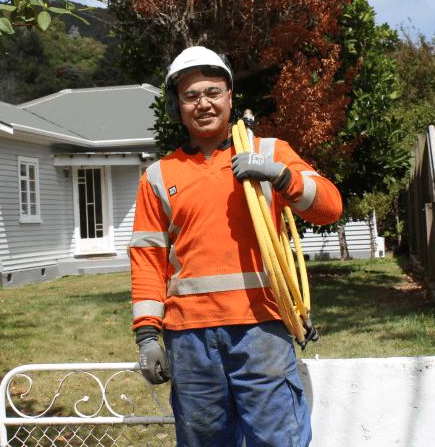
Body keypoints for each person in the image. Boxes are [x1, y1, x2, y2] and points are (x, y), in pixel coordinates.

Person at [129, 46, 343, 447]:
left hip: (260, 327)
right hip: (189, 338)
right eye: (191, 96)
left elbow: (330, 206)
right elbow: (147, 260)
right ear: (177, 106)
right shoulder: (158, 176)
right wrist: (146, 337)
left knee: (279, 439)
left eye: (213, 92)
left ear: (230, 97)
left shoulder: (269, 153)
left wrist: (280, 177)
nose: (204, 103)